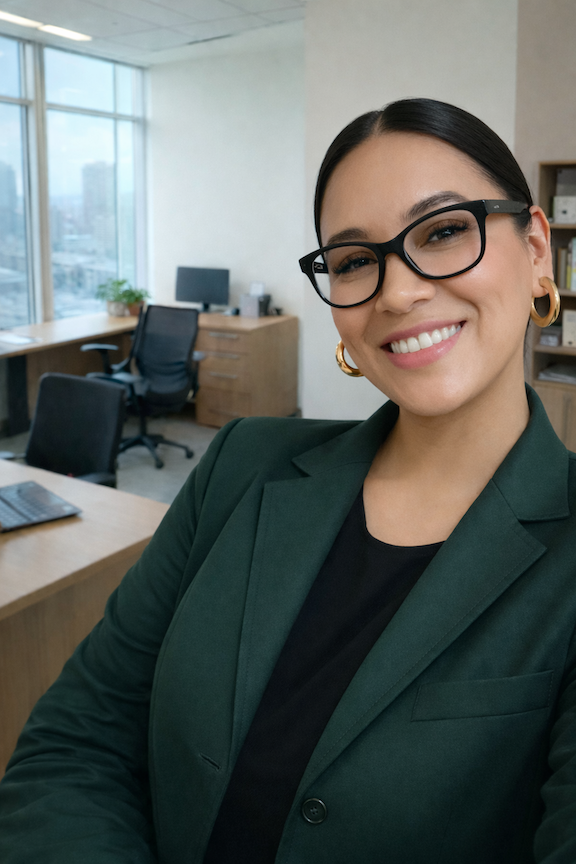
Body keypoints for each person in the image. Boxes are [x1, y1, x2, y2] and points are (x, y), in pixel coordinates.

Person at [0, 97, 574, 864]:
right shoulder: (240, 465)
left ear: (536, 249)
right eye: (355, 261)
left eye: (443, 232)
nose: (397, 293)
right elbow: (78, 738)